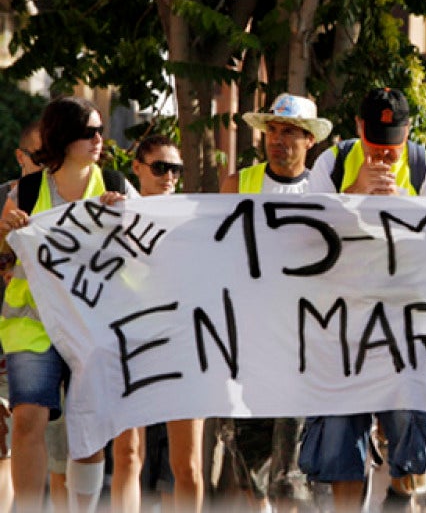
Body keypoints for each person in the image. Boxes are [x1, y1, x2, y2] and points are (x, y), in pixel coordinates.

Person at [304, 87, 426, 511]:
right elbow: (307, 236)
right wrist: (352, 192)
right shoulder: (331, 164)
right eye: (376, 146)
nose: (385, 157)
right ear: (359, 128)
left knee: (411, 437)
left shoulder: (425, 167)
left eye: (394, 147)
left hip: (404, 328)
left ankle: (400, 502)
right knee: (339, 445)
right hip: (341, 328)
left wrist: (404, 208)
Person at [0, 96, 139, 513]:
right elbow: (4, 260)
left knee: (89, 432)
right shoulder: (24, 191)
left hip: (94, 328)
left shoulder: (116, 185)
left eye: (101, 130)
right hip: (32, 326)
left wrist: (126, 220)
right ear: (63, 137)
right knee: (27, 421)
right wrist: (5, 231)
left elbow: (144, 258)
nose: (100, 139)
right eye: (89, 132)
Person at [217, 93, 331, 511]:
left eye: (289, 132)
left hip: (304, 350)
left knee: (291, 477)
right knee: (250, 464)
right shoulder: (238, 184)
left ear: (309, 141)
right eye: (272, 131)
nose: (278, 140)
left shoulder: (325, 192)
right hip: (249, 347)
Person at [110, 135, 205, 513]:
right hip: (132, 341)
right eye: (160, 167)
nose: (169, 177)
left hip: (185, 343)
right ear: (137, 168)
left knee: (188, 464)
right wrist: (107, 216)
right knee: (129, 454)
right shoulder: (118, 214)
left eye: (176, 169)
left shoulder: (195, 217)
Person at [0, 121, 44, 513]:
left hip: (50, 340)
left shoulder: (75, 197)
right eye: (38, 157)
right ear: (20, 156)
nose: (46, 165)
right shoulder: (7, 198)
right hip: (11, 332)